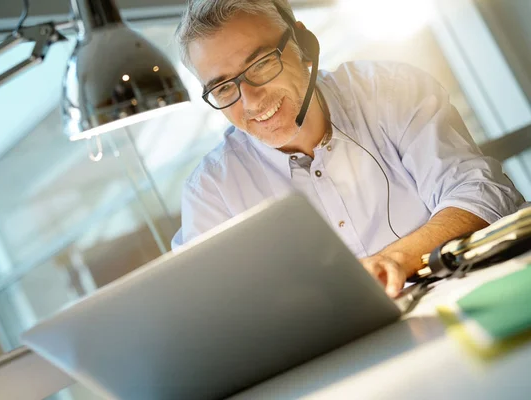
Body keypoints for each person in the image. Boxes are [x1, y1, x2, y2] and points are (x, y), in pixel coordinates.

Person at [170, 0, 524, 297]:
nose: (250, 101)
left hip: (476, 293)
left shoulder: (389, 89)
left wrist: (396, 261)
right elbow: (204, 305)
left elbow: (481, 193)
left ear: (302, 44)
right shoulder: (211, 192)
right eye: (224, 89)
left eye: (261, 65)